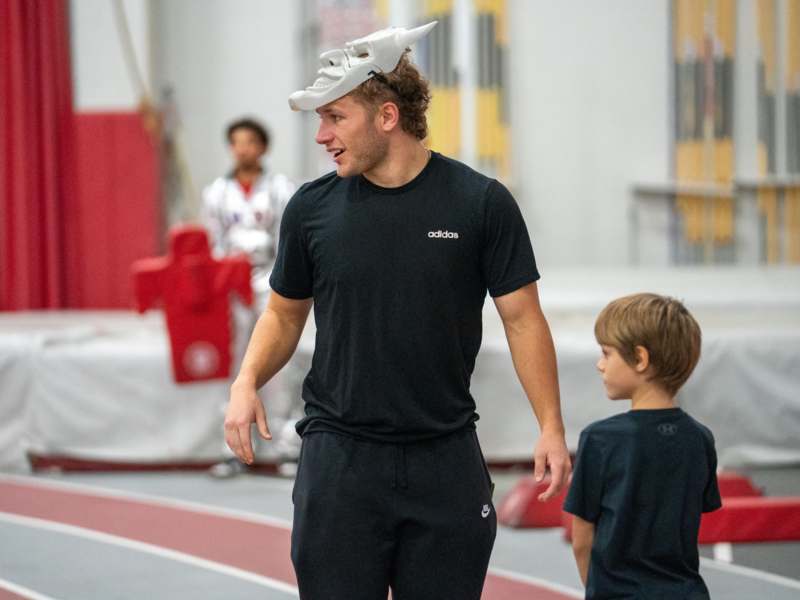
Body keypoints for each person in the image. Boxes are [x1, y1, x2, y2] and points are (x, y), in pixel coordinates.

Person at [224, 22, 571, 599]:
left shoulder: (480, 203)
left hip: (445, 458)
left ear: (387, 116)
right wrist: (246, 380)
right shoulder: (311, 210)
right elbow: (284, 315)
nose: (321, 136)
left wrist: (552, 427)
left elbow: (522, 320)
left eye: (335, 117)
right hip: (339, 460)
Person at [564, 293, 722, 599]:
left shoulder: (599, 440)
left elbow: (582, 540)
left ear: (640, 359)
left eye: (606, 354)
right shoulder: (701, 439)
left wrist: (596, 590)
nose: (600, 365)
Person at [202, 117, 298, 478]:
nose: (243, 149)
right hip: (230, 287)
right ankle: (232, 449)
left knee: (278, 364)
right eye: (236, 142)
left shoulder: (280, 188)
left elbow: (287, 239)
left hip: (271, 281)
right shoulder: (215, 192)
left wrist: (285, 284)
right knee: (235, 366)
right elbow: (214, 242)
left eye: (250, 142)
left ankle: (287, 448)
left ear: (263, 148)